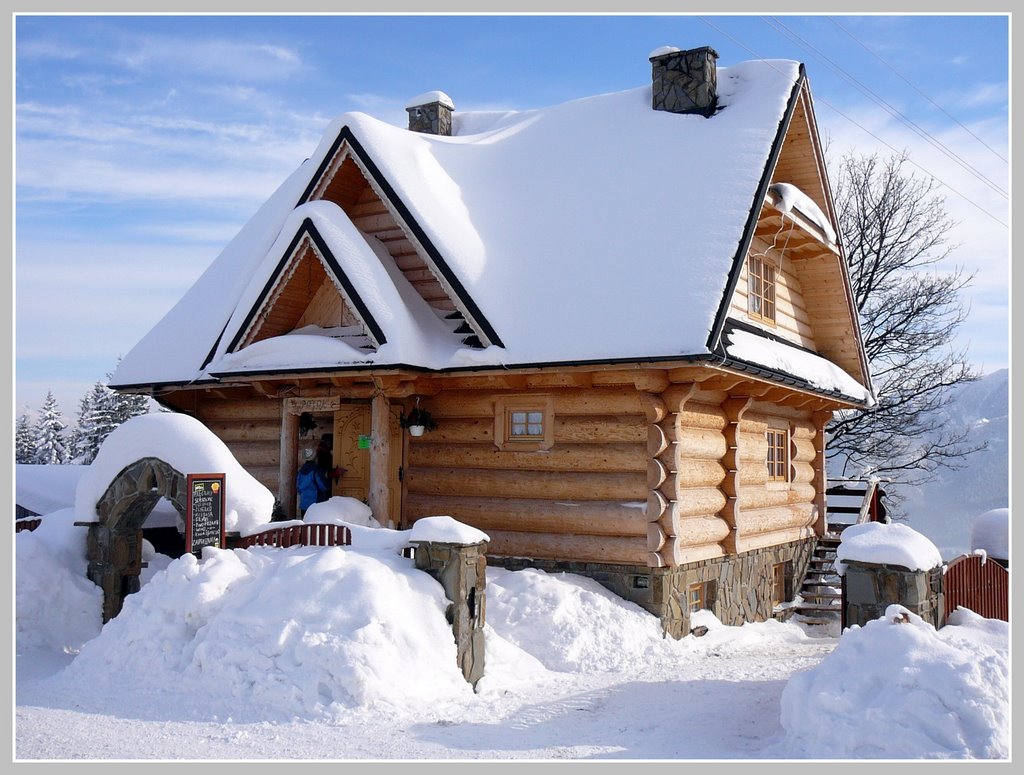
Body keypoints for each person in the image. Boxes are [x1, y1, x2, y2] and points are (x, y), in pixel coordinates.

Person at [296, 447, 329, 517]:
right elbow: (323, 486)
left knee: (305, 524)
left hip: (303, 503)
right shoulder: (317, 470)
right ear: (315, 457)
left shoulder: (301, 471)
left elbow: (298, 487)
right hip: (315, 503)